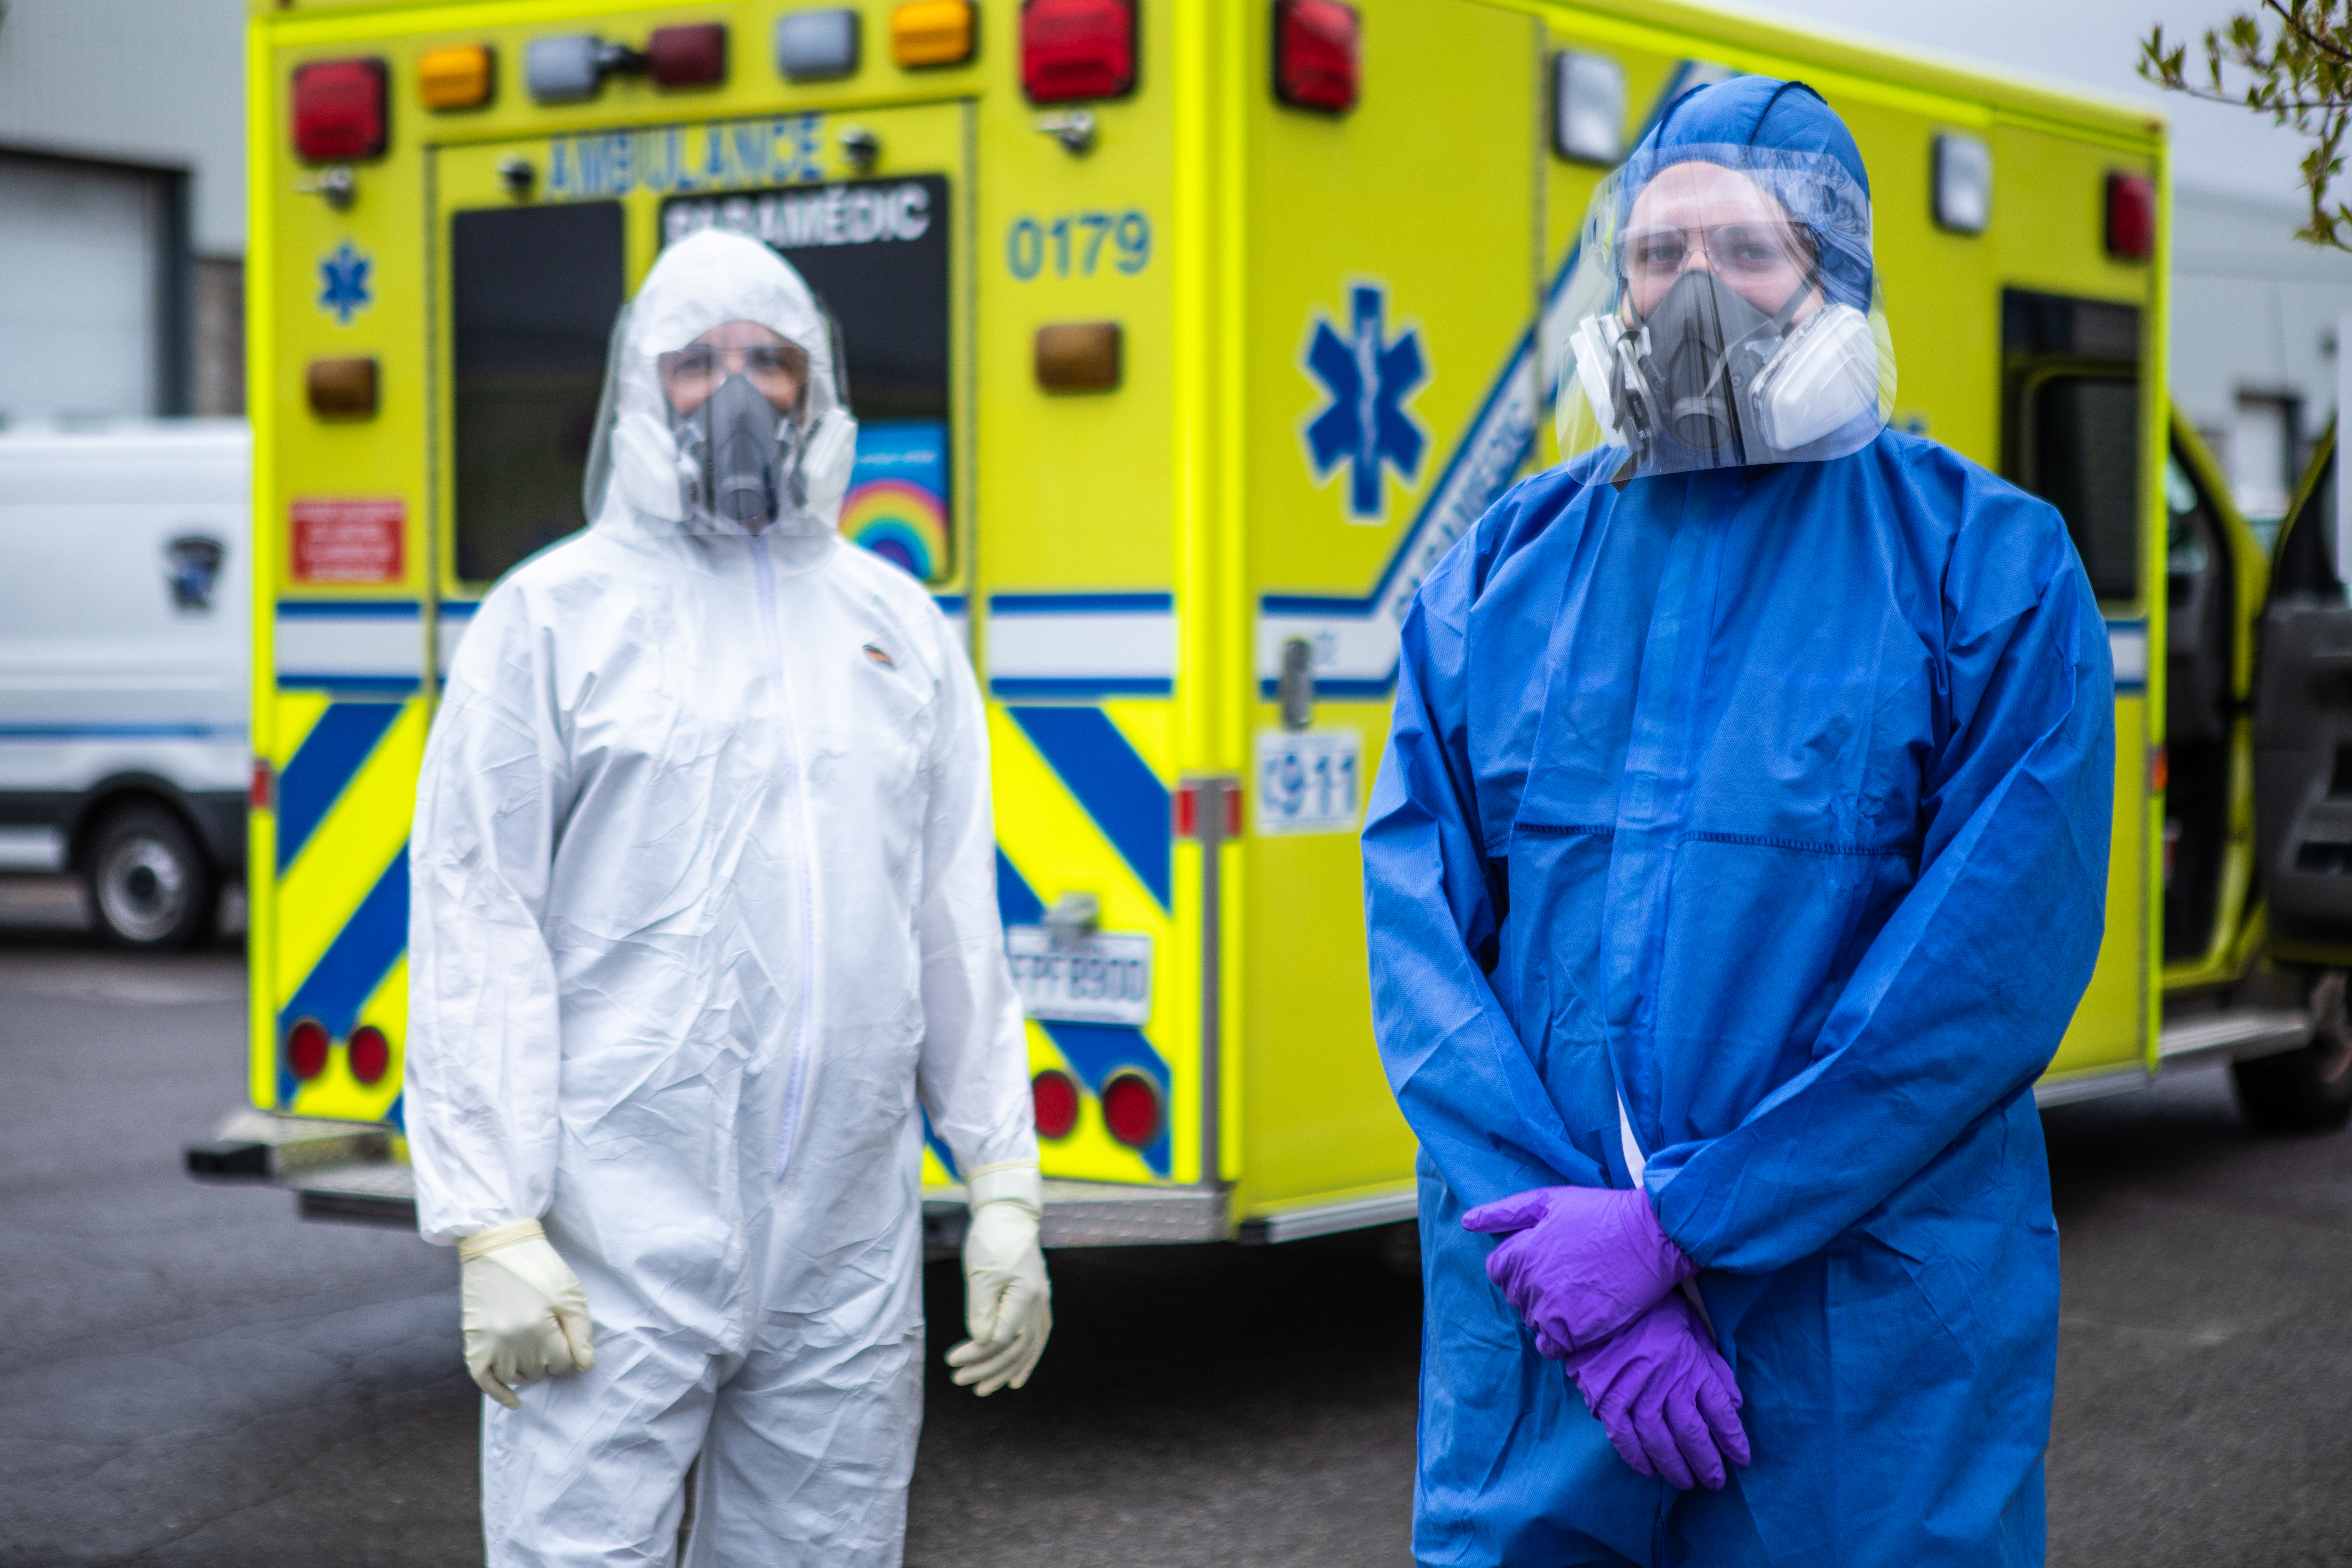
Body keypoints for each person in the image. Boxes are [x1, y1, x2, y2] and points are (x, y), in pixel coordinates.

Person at [1362, 77, 2114, 1566]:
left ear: (1835, 279)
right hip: (1554, 1347)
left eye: (1748, 253)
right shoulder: (1500, 579)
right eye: (1657, 256)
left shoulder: (1987, 574)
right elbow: (1426, 956)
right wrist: (1574, 1263)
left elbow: (1977, 980)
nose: (1693, 295)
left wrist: (1680, 1233)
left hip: (1858, 1370)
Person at [405, 228, 1050, 1567]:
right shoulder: (550, 622)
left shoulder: (896, 625)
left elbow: (950, 924)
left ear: (820, 391)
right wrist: (493, 1223)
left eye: (771, 359)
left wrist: (1003, 1185)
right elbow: (478, 926)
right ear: (640, 390)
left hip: (843, 1256)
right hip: (611, 1244)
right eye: (696, 363)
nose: (739, 391)